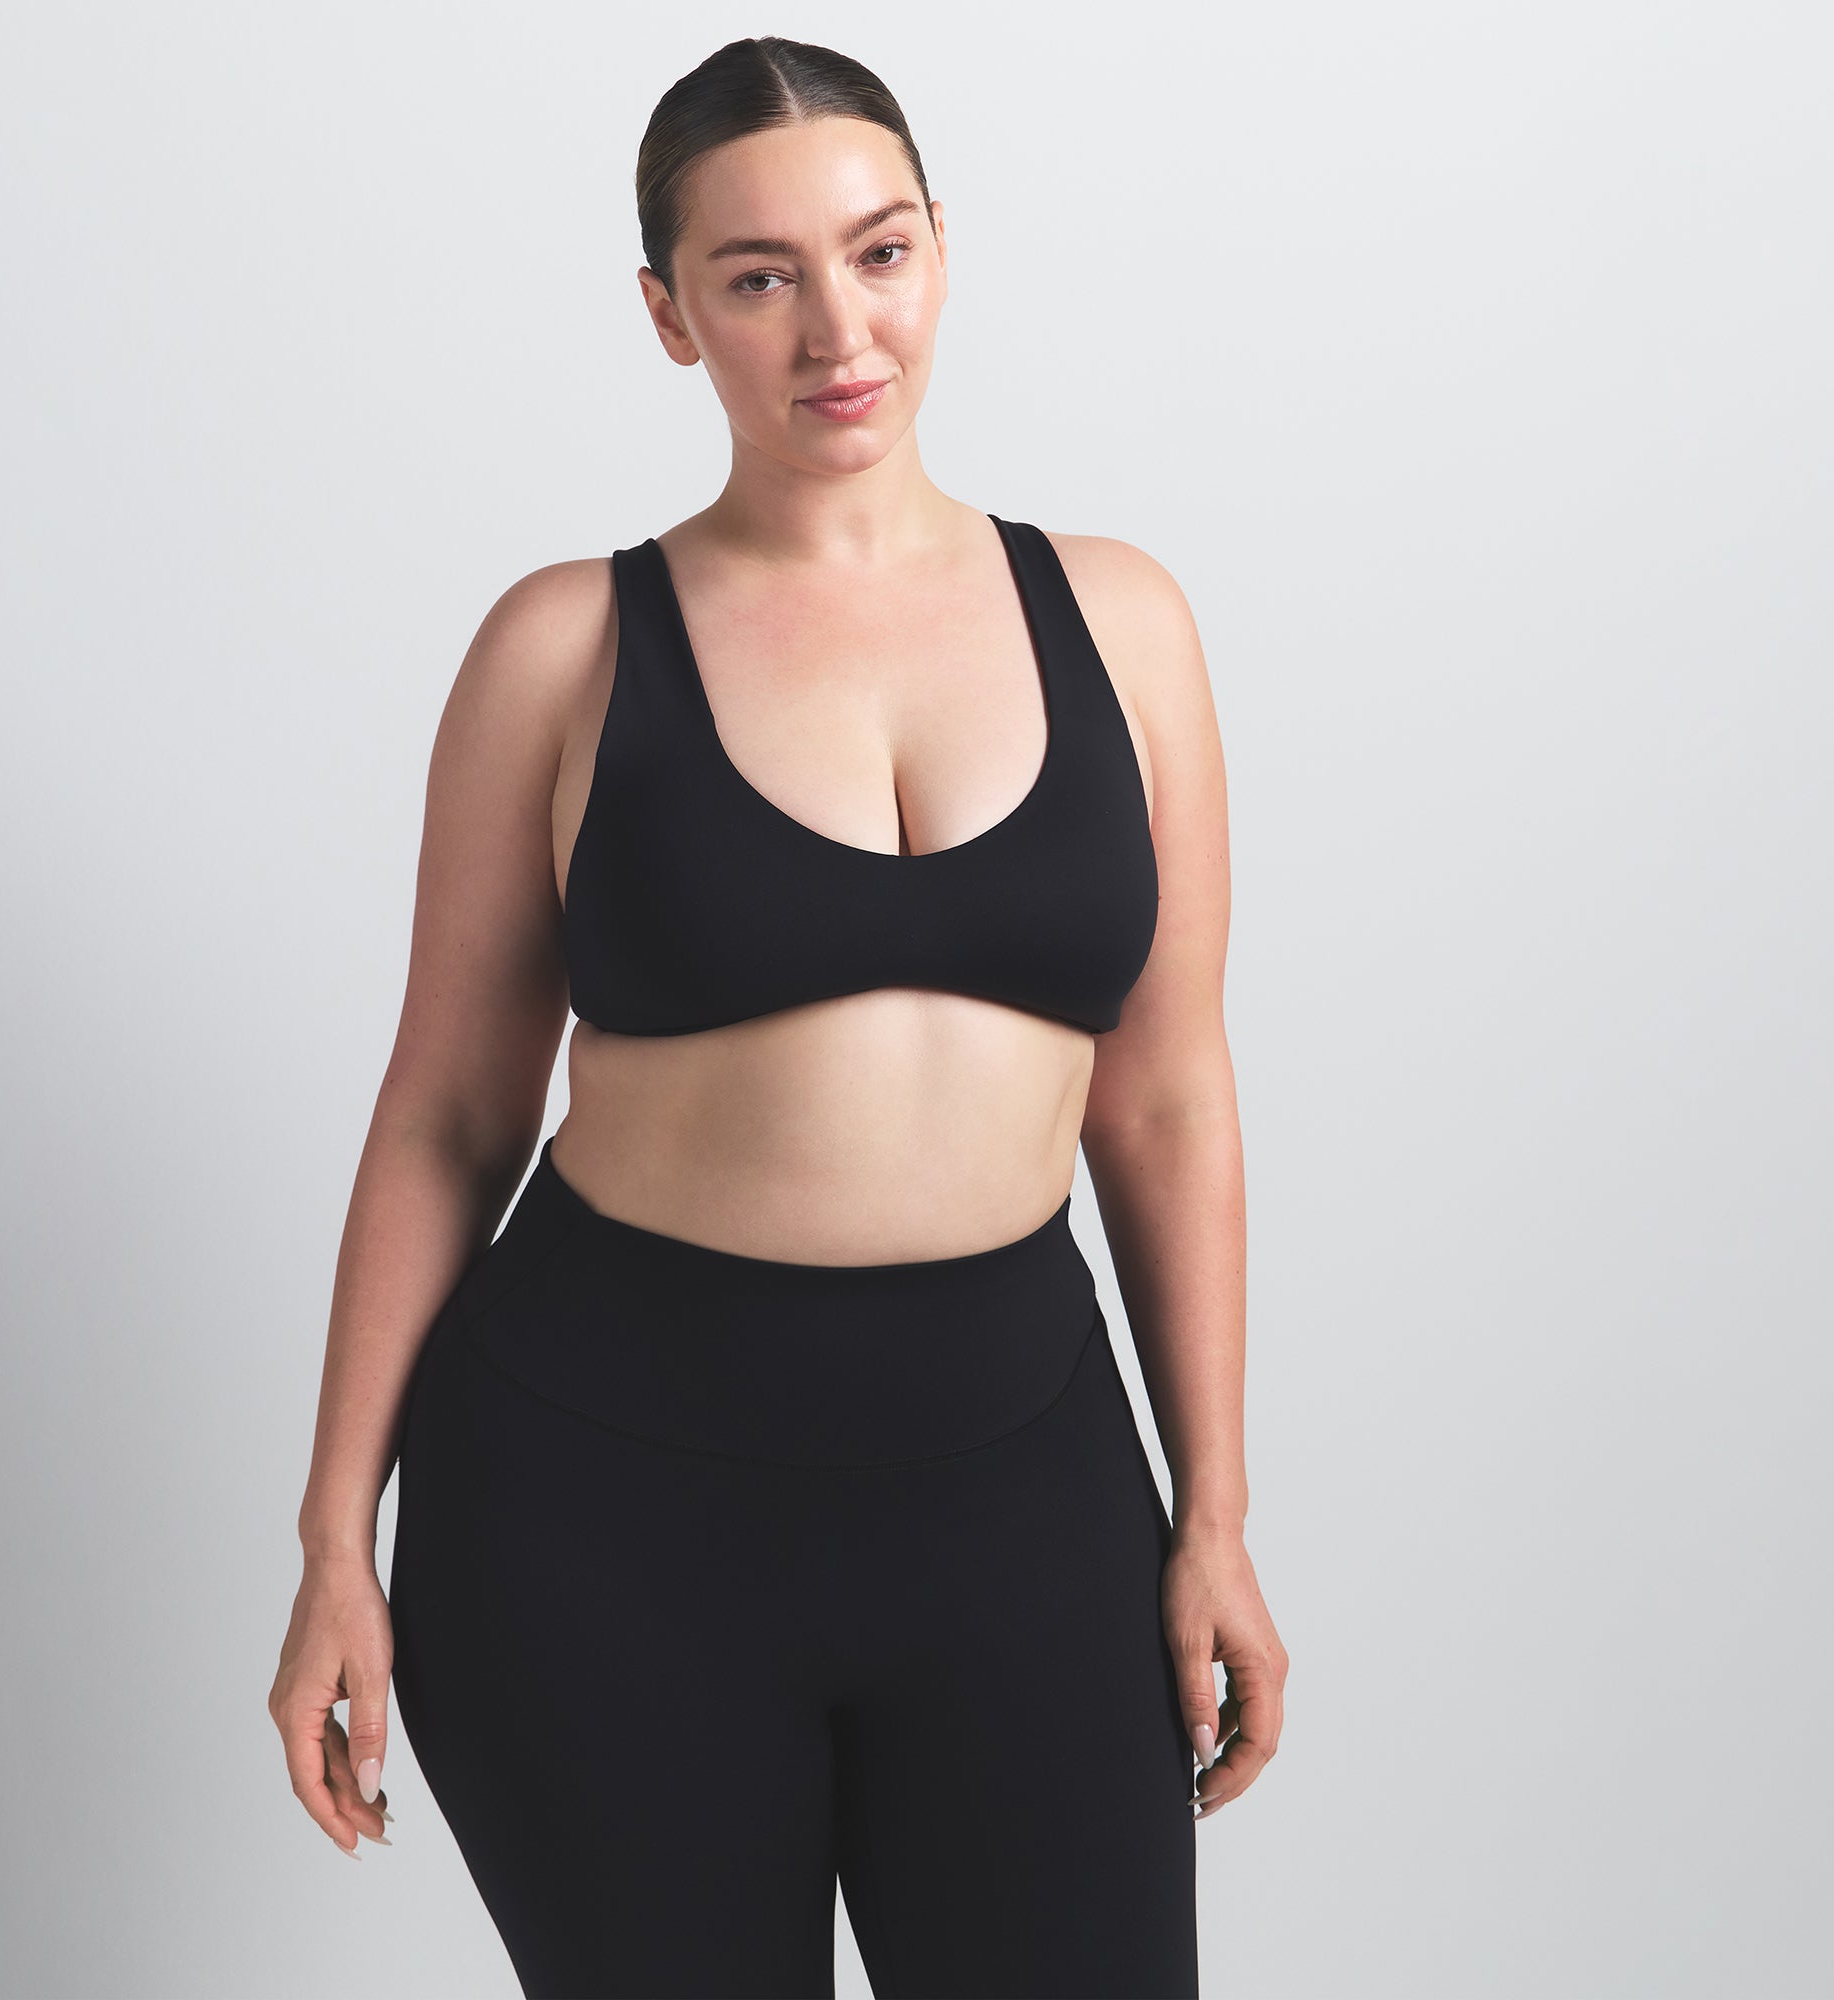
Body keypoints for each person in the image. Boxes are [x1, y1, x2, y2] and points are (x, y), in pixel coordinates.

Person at [268, 33, 1285, 2000]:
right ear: (670, 314)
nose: (839, 328)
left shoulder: (1124, 623)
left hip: (1021, 1493)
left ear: (939, 254)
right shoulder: (564, 647)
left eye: (879, 252)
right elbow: (447, 1117)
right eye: (759, 277)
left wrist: (1216, 1513)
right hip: (601, 1516)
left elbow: (1166, 1102)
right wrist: (332, 1540)